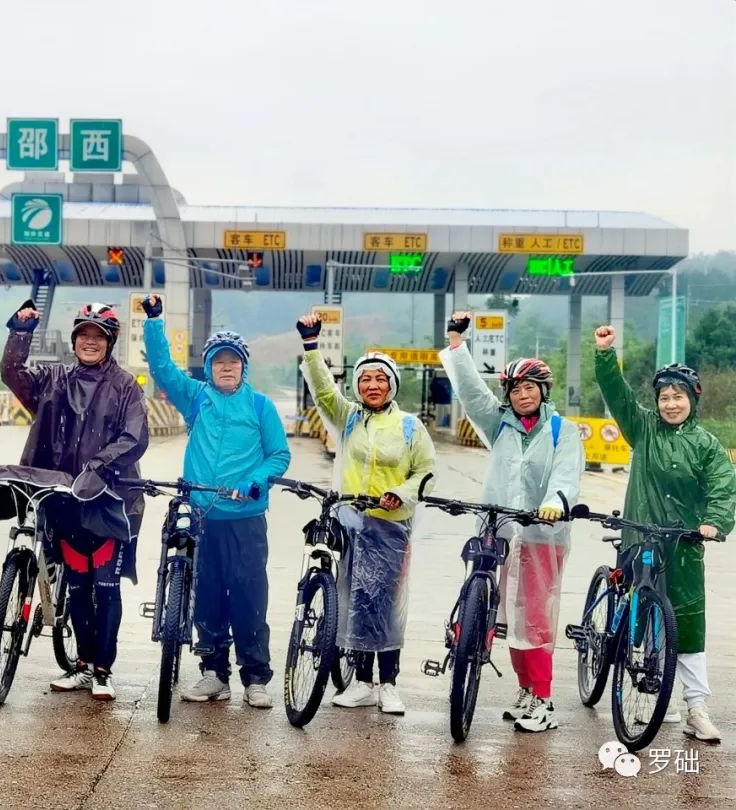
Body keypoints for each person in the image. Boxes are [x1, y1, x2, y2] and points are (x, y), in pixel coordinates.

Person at [142, 294, 290, 709]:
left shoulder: (260, 406)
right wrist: (155, 320)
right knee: (204, 593)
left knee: (247, 595)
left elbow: (278, 455)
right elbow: (162, 370)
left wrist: (254, 480)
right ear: (208, 367)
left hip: (244, 517)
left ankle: (255, 677)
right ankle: (213, 673)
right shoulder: (196, 397)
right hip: (200, 513)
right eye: (219, 361)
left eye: (234, 361)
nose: (227, 367)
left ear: (244, 366)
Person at [439, 312, 584, 733]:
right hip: (498, 531)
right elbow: (470, 392)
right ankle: (523, 688)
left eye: (529, 388)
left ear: (543, 391)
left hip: (541, 535)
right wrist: (456, 341)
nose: (522, 395)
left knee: (533, 619)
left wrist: (555, 502)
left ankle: (543, 698)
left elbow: (566, 474)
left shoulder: (562, 431)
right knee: (502, 615)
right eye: (515, 388)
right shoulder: (498, 423)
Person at [1, 300, 149, 701]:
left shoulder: (126, 388)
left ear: (110, 342)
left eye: (97, 336)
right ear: (74, 340)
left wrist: (98, 466)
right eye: (83, 334)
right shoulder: (55, 381)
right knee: (79, 589)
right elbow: (13, 375)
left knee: (105, 588)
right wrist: (20, 333)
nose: (89, 341)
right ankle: (82, 666)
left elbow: (134, 438)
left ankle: (103, 670)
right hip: (65, 500)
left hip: (108, 501)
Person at [594, 324, 735, 743]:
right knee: (644, 616)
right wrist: (605, 354)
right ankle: (654, 689)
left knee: (688, 624)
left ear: (692, 399)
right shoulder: (644, 429)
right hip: (641, 538)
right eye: (664, 397)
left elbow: (723, 488)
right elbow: (617, 394)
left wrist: (713, 523)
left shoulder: (708, 445)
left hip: (686, 546)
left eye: (678, 397)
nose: (671, 403)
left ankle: (696, 706)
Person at [297, 315, 436, 714]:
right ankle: (361, 681)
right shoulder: (350, 418)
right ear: (357, 386)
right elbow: (323, 391)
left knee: (385, 601)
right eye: (365, 379)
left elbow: (425, 470)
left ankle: (389, 682)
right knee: (354, 598)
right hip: (350, 523)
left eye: (380, 379)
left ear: (391, 385)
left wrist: (399, 493)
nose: (372, 385)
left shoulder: (410, 426)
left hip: (391, 526)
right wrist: (311, 347)